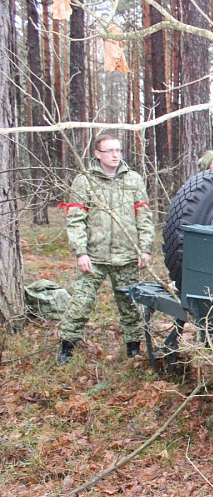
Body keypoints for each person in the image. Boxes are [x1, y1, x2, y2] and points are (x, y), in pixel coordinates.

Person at [57, 134, 154, 365]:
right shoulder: (84, 181)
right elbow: (76, 220)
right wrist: (81, 252)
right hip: (95, 258)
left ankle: (133, 349)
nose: (115, 155)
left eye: (118, 150)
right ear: (97, 154)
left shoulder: (133, 180)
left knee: (130, 307)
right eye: (109, 151)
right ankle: (66, 348)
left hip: (127, 256)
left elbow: (144, 218)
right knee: (81, 303)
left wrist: (145, 249)